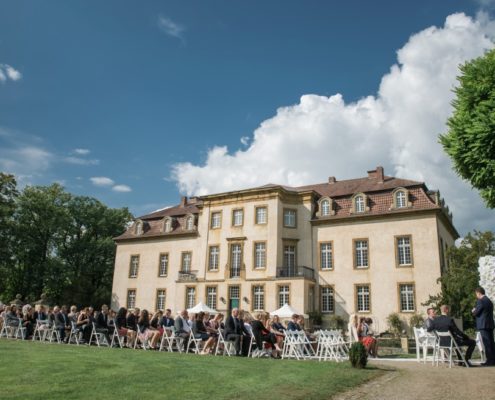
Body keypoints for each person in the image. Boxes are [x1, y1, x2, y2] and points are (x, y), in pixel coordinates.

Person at [472, 287, 495, 366]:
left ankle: (490, 361)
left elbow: (476, 312)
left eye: (476, 294)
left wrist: (473, 311)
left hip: (483, 325)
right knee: (491, 343)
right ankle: (493, 359)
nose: (476, 296)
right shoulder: (489, 301)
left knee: (487, 343)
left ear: (478, 293)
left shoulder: (480, 301)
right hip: (490, 324)